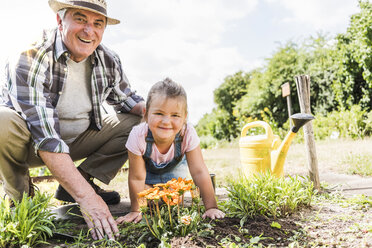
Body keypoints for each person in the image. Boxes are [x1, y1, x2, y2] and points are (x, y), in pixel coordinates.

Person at [0, 0, 145, 240]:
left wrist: (166, 114)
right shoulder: (30, 56)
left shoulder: (108, 59)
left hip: (77, 141)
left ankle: (81, 182)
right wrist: (88, 199)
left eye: (98, 23)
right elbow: (45, 137)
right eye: (80, 19)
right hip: (29, 145)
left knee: (140, 122)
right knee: (1, 120)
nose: (90, 31)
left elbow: (127, 100)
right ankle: (20, 198)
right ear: (60, 20)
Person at [116, 78, 225, 224]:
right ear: (146, 114)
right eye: (159, 113)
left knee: (173, 198)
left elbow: (199, 171)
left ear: (184, 118)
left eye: (175, 115)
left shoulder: (187, 134)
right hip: (146, 179)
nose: (166, 121)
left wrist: (211, 207)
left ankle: (164, 195)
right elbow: (136, 178)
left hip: (174, 180)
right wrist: (136, 210)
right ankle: (158, 195)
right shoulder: (138, 135)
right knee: (146, 194)